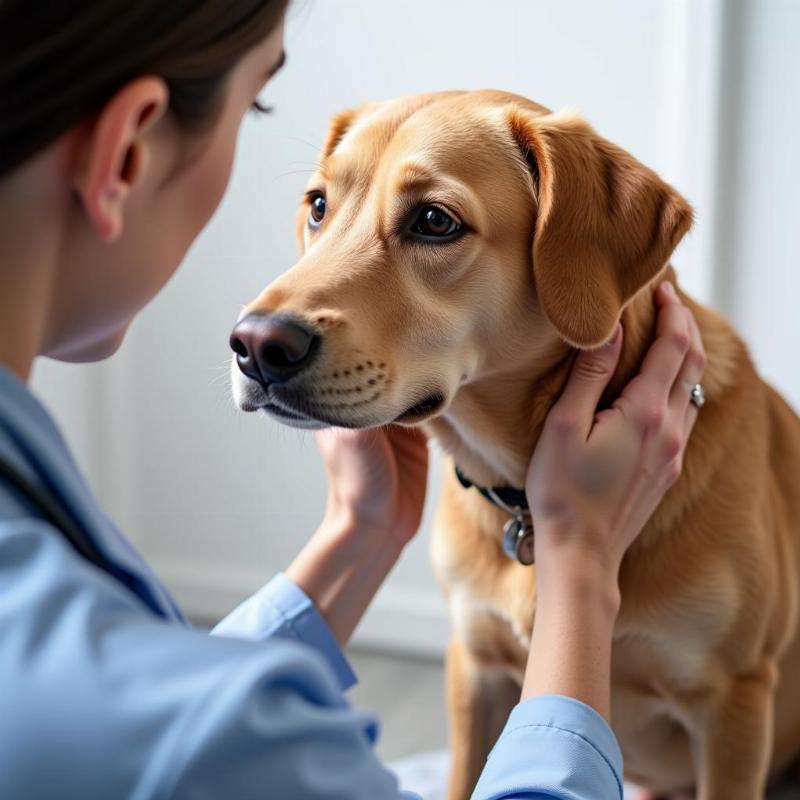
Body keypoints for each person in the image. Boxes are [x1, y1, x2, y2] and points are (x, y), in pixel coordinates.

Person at [0, 2, 706, 798]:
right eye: (255, 101)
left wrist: (357, 534)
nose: (277, 315)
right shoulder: (205, 733)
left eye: (432, 221)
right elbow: (182, 739)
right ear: (126, 152)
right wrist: (580, 563)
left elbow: (127, 721)